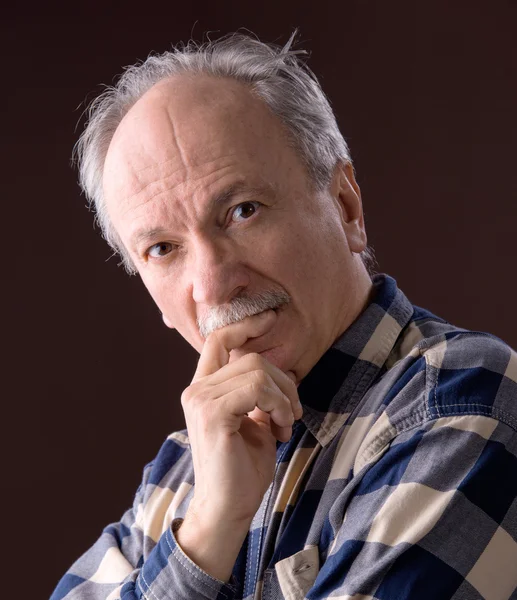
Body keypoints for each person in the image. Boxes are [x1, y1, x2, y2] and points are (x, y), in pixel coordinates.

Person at [50, 33, 517, 600]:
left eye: (242, 211)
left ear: (345, 206)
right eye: (163, 249)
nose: (213, 283)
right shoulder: (180, 475)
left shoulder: (461, 405)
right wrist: (208, 530)